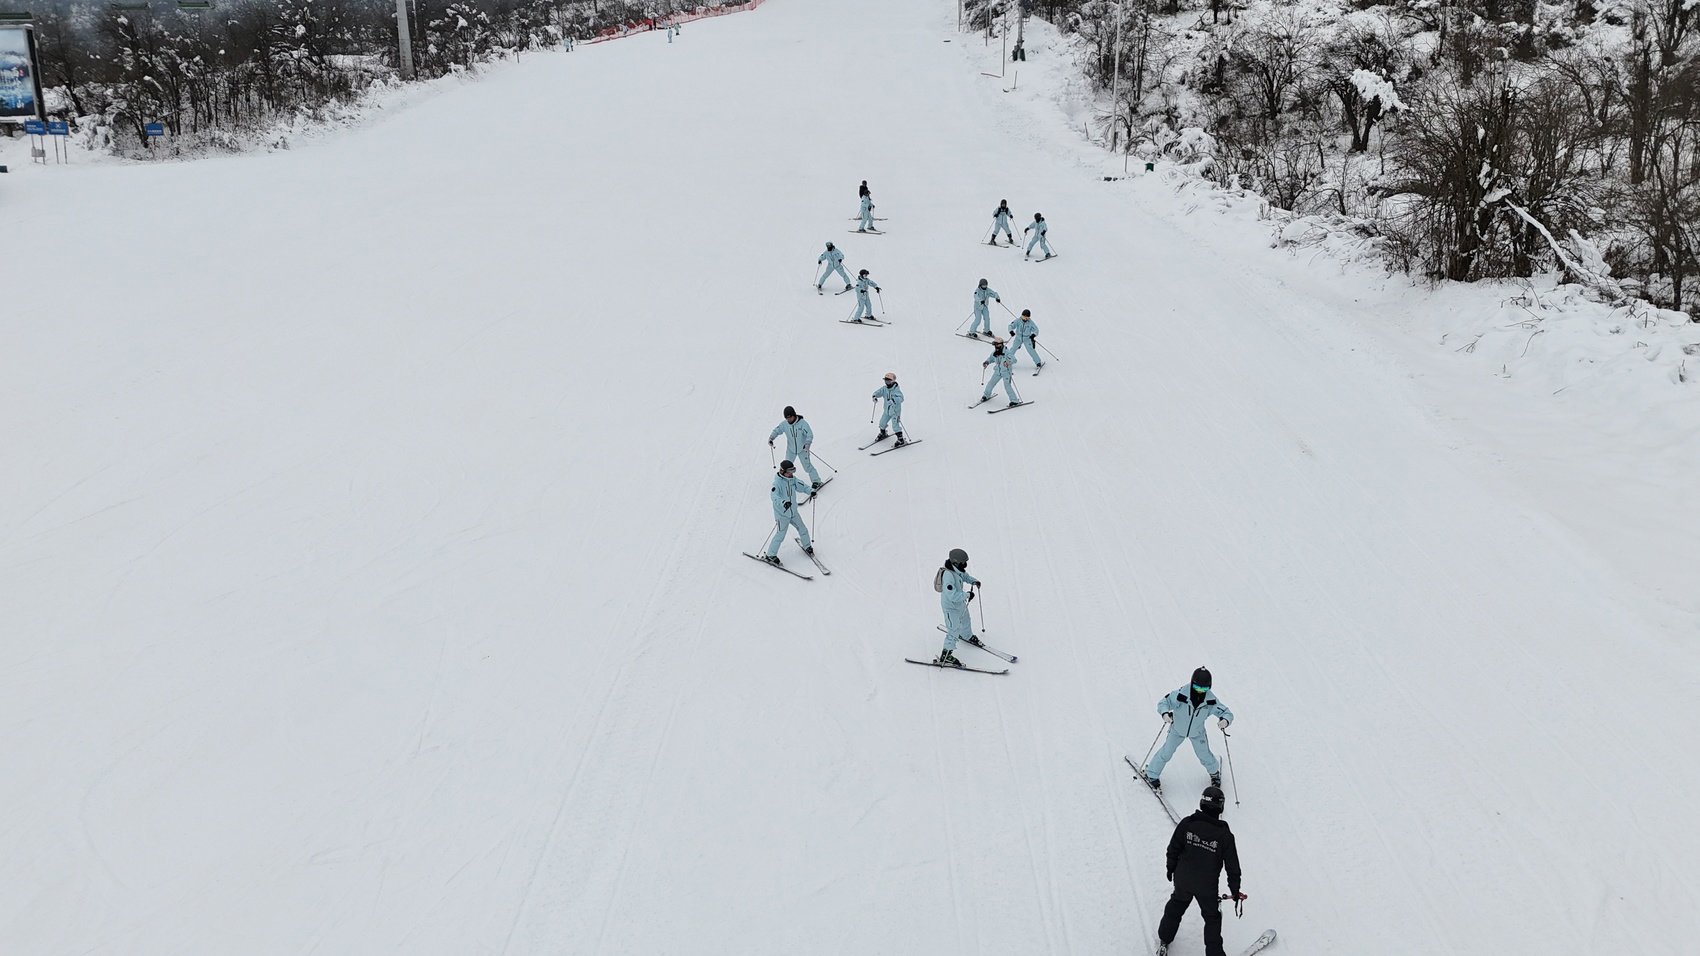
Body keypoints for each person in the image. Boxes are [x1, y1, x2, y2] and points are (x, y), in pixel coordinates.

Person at [1156, 786, 1243, 956]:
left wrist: (1170, 868)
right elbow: (1233, 867)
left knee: (1176, 906)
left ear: (1202, 803)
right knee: (1212, 919)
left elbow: (1173, 848)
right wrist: (1235, 890)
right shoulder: (1225, 836)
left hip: (1183, 879)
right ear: (1221, 807)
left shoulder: (1187, 824)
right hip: (1207, 886)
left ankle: (1164, 939)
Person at [1143, 667, 1234, 790]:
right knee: (1166, 752)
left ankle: (1214, 774)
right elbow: (1163, 703)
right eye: (1198, 687)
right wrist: (1165, 713)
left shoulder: (1211, 700)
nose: (1201, 691)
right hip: (1177, 730)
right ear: (1192, 683)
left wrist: (1225, 721)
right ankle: (1151, 774)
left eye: (1204, 688)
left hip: (1197, 732)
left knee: (1204, 755)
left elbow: (1226, 713)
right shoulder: (1180, 695)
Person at [933, 548, 980, 667]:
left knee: (965, 620)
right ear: (955, 562)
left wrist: (974, 581)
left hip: (959, 603)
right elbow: (952, 595)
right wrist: (968, 595)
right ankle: (946, 655)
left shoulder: (957, 570)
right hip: (950, 607)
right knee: (953, 629)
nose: (965, 565)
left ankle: (967, 635)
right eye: (963, 562)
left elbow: (965, 576)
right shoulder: (948, 576)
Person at [763, 460, 815, 565]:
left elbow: (802, 486)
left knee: (802, 528)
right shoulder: (777, 483)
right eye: (789, 472)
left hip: (793, 512)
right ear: (782, 471)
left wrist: (811, 491)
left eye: (792, 471)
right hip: (782, 515)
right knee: (780, 535)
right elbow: (774, 496)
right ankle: (770, 555)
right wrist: (783, 502)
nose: (791, 474)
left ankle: (807, 546)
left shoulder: (792, 479)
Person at [768, 406, 823, 489]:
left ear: (794, 415)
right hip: (791, 449)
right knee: (786, 467)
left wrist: (807, 444)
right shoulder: (784, 424)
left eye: (790, 417)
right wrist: (771, 438)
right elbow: (777, 430)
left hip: (803, 449)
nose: (789, 420)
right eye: (787, 418)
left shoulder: (803, 423)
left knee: (807, 467)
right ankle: (784, 483)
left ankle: (816, 481)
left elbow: (809, 434)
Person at [980, 336, 1019, 405]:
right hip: (997, 371)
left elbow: (1014, 360)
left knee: (1007, 386)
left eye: (997, 344)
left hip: (1006, 372)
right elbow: (991, 358)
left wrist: (1008, 362)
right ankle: (986, 395)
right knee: (991, 383)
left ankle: (1014, 401)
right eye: (995, 345)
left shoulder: (1007, 352)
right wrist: (986, 362)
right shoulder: (995, 352)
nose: (996, 346)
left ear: (1001, 344)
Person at [872, 371, 905, 445]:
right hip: (886, 411)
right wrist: (874, 396)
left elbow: (901, 398)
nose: (887, 382)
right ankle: (883, 433)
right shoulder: (884, 388)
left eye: (889, 381)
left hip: (895, 412)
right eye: (885, 380)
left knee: (895, 425)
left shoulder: (896, 390)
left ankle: (900, 439)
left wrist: (894, 400)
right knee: (882, 423)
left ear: (893, 381)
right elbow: (878, 392)